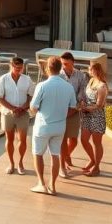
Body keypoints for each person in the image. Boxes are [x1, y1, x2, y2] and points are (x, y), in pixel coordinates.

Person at [28, 56, 78, 195]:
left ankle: (41, 184)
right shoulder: (68, 87)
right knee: (55, 155)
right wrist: (61, 115)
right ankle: (53, 186)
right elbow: (73, 106)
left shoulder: (42, 86)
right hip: (60, 126)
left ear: (47, 69)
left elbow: (33, 107)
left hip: (43, 125)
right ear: (60, 68)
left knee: (37, 154)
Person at [0, 57, 35, 175]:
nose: (19, 70)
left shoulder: (27, 79)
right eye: (17, 68)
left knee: (22, 139)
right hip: (8, 113)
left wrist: (24, 107)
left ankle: (21, 163)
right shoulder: (3, 79)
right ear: (11, 66)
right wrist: (12, 109)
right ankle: (11, 163)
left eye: (21, 68)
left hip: (23, 113)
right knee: (10, 139)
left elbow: (31, 95)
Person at [58, 51, 88, 178]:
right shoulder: (58, 75)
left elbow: (83, 90)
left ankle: (66, 156)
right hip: (61, 111)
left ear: (72, 62)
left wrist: (78, 104)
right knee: (63, 140)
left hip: (75, 110)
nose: (64, 66)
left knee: (74, 140)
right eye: (62, 63)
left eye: (66, 63)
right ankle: (62, 166)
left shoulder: (81, 75)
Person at [80, 61, 109, 177]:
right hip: (86, 115)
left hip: (97, 117)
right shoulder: (91, 81)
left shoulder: (102, 86)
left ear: (95, 70)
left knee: (97, 143)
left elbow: (99, 105)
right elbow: (85, 95)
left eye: (90, 69)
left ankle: (96, 167)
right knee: (83, 139)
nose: (88, 71)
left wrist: (86, 108)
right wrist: (82, 103)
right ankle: (92, 160)